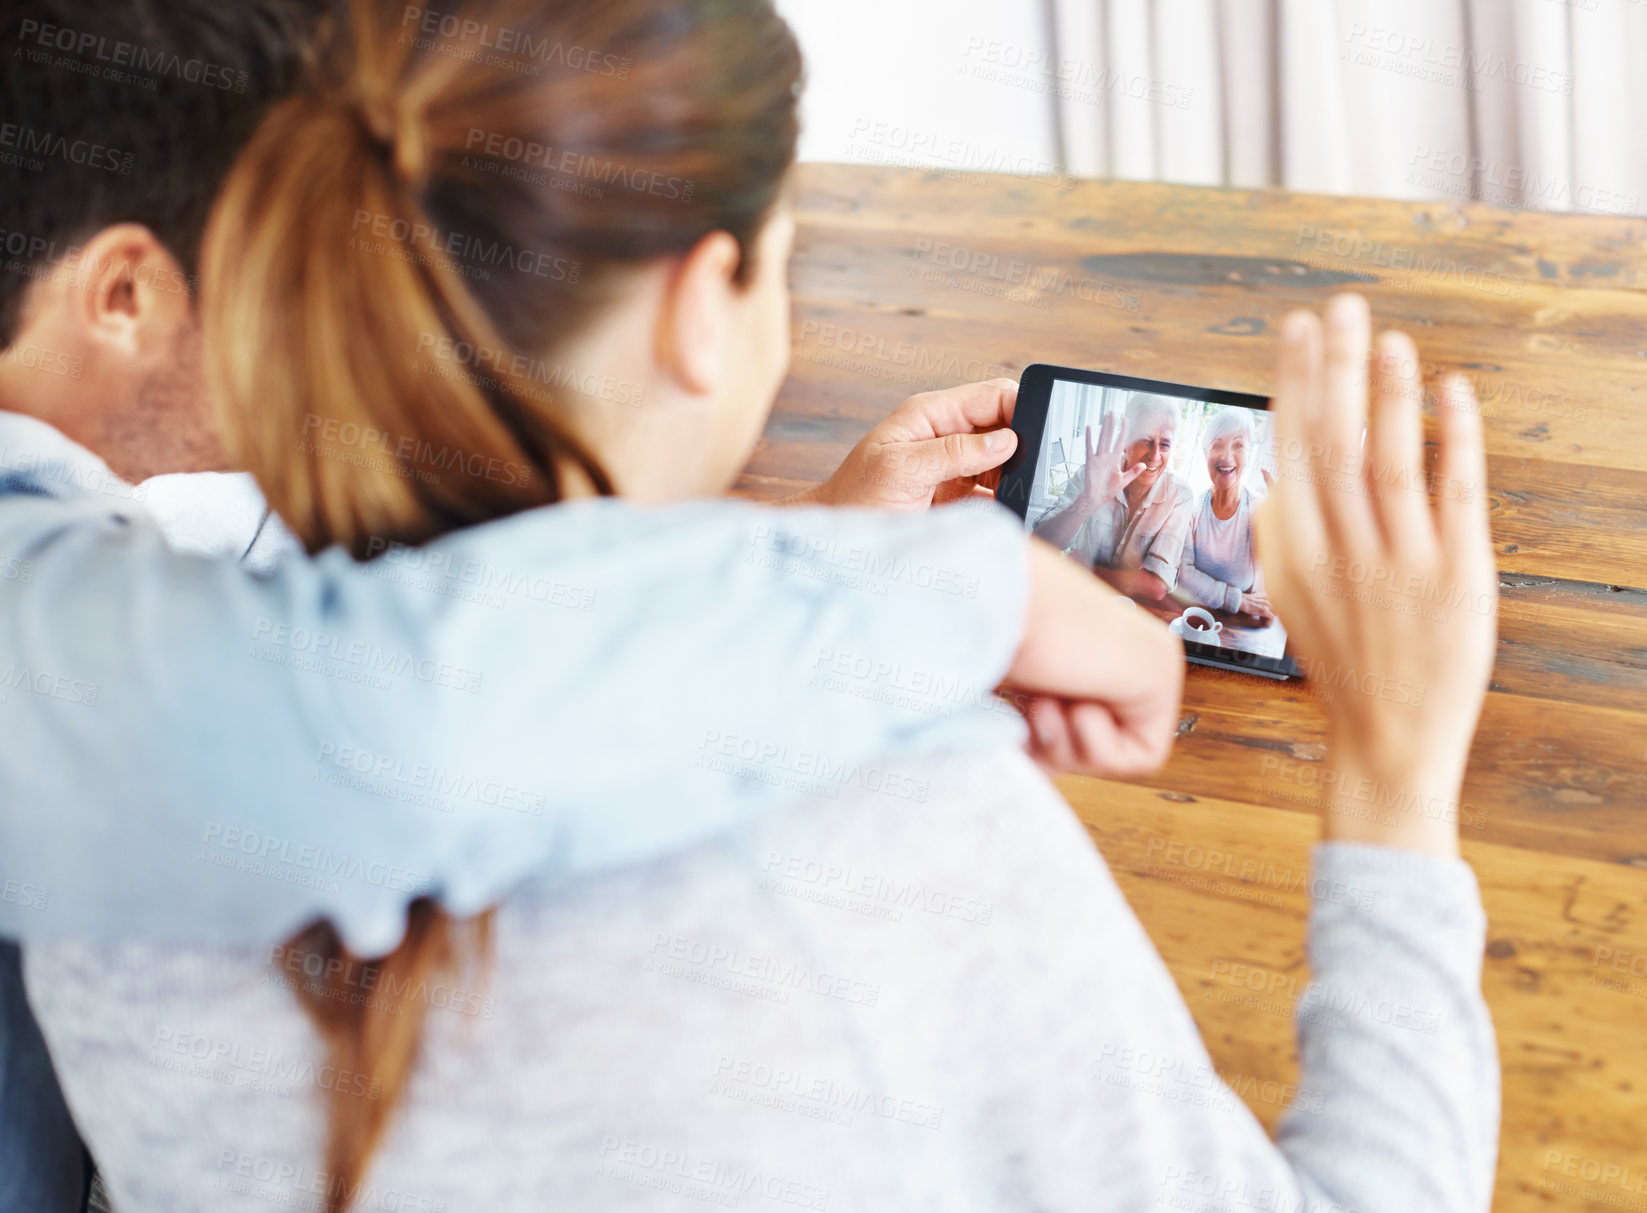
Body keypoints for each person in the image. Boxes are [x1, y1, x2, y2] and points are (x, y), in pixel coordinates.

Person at [23, 2, 1500, 1210]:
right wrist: (1393, 774)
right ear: (699, 301)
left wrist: (817, 559)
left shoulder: (97, 822)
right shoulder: (901, 839)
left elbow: (378, 704)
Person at [1031, 392, 1194, 602]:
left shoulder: (1179, 495)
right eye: (1146, 440)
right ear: (1126, 441)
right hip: (1079, 600)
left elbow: (1155, 587)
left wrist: (1088, 571)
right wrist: (1088, 500)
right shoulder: (1094, 475)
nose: (1154, 456)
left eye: (1164, 444)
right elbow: (1040, 545)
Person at [1176, 405, 1276, 623]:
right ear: (1205, 453)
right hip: (1195, 616)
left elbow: (1275, 566)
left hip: (1241, 624)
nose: (1226, 456)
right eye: (1217, 445)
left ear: (1249, 453)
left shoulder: (1260, 509)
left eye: (1238, 445)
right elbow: (1183, 573)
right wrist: (1238, 600)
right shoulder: (1191, 508)